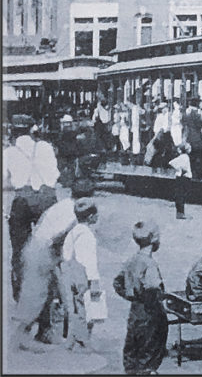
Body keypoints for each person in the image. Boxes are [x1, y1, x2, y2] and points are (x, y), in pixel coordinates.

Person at [10, 180, 96, 351]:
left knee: (48, 296)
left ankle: (45, 333)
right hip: (44, 253)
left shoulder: (63, 204)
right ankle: (18, 339)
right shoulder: (75, 215)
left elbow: (43, 222)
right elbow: (58, 238)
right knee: (39, 297)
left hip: (35, 247)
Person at [4, 116, 61, 302]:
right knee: (52, 244)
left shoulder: (9, 152)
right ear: (32, 129)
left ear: (13, 131)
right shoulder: (45, 147)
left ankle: (21, 293)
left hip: (22, 200)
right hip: (47, 198)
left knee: (19, 247)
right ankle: (55, 288)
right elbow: (55, 174)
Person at [113, 220, 168, 375]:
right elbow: (152, 287)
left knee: (132, 353)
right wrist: (156, 302)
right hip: (149, 313)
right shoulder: (149, 264)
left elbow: (117, 283)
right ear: (154, 240)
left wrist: (131, 296)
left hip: (135, 311)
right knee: (148, 356)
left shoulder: (131, 260)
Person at [60, 198, 101, 351]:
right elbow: (88, 261)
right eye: (97, 214)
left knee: (74, 308)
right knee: (86, 308)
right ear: (91, 217)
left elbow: (66, 254)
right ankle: (83, 341)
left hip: (70, 272)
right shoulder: (87, 236)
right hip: (82, 275)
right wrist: (94, 281)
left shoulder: (73, 231)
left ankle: (72, 339)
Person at [182, 98, 202, 179]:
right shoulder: (195, 113)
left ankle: (193, 173)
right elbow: (201, 124)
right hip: (196, 137)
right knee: (200, 154)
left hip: (189, 137)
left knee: (192, 156)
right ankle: (200, 173)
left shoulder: (187, 112)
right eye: (201, 103)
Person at [169, 143, 193, 219]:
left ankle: (179, 212)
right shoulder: (185, 157)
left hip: (179, 176)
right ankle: (180, 213)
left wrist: (178, 168)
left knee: (179, 194)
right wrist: (182, 170)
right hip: (184, 177)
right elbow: (185, 167)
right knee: (182, 195)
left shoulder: (180, 157)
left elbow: (171, 162)